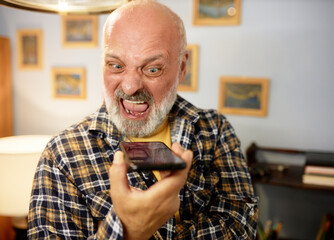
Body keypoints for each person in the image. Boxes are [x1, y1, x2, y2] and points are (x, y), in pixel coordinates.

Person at [27, 0, 258, 239]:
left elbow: (241, 228)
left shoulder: (215, 130)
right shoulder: (62, 154)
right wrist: (130, 231)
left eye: (152, 69)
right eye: (116, 65)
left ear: (181, 67)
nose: (130, 87)